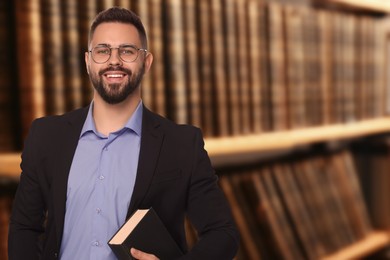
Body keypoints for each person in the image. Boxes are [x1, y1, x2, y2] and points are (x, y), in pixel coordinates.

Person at [8, 6, 239, 260]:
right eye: (103, 51)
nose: (114, 60)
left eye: (127, 51)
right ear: (88, 62)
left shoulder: (182, 144)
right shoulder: (46, 136)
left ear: (146, 62)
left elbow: (222, 233)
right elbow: (24, 228)